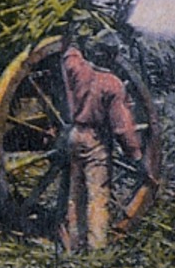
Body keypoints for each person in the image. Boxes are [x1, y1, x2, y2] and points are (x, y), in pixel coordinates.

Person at [59, 37, 146, 252]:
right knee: (97, 197)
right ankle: (96, 250)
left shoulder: (79, 71)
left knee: (75, 195)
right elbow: (122, 126)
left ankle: (73, 246)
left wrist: (71, 38)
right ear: (111, 56)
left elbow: (70, 57)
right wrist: (135, 154)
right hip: (94, 141)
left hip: (74, 136)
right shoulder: (112, 84)